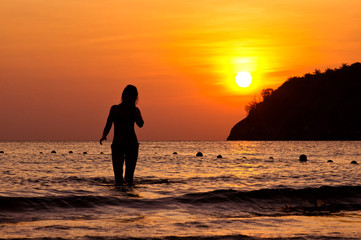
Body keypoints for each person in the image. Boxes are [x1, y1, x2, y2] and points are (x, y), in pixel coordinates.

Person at [100, 85, 144, 186]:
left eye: (133, 96)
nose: (131, 98)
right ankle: (118, 199)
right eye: (129, 95)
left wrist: (135, 111)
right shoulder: (115, 109)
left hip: (132, 145)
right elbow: (108, 123)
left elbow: (141, 124)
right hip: (117, 145)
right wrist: (104, 135)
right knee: (118, 178)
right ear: (124, 95)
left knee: (129, 178)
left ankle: (128, 200)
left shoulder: (135, 110)